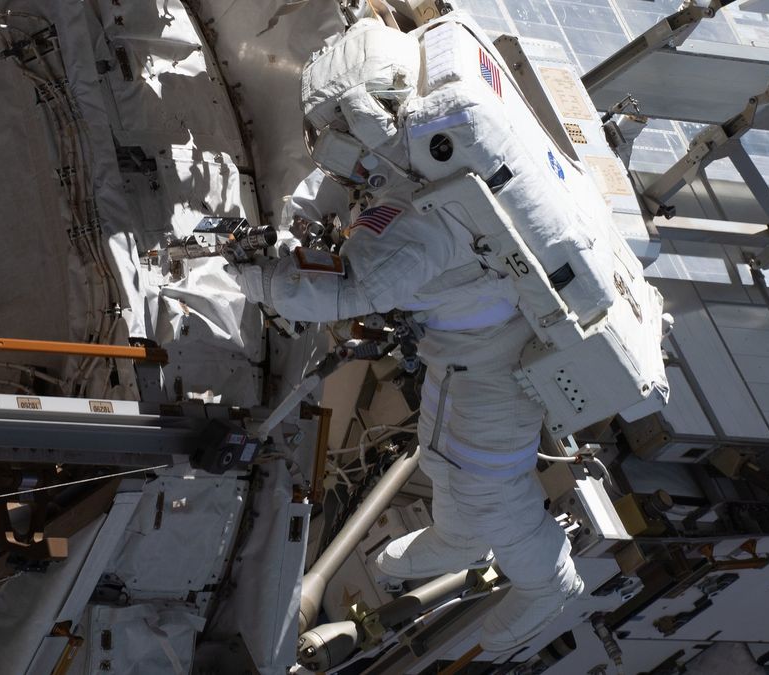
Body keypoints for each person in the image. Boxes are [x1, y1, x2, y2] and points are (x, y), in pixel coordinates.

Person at [229, 17, 583, 654]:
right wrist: (289, 226)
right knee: (446, 460)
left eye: (332, 128)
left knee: (486, 483)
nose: (325, 143)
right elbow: (355, 190)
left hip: (490, 372)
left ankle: (549, 584)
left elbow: (345, 289)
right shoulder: (433, 142)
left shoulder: (427, 219)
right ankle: (459, 538)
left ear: (367, 112)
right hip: (472, 356)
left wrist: (250, 278)